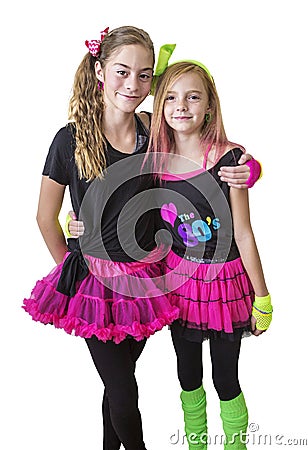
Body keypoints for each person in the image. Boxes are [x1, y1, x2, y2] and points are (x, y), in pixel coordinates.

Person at [22, 26, 181, 450]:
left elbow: (205, 150)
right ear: (99, 70)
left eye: (145, 75)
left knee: (118, 386)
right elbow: (44, 216)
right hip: (95, 283)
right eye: (122, 72)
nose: (133, 85)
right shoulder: (70, 138)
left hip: (145, 280)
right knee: (125, 390)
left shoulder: (154, 131)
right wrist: (74, 271)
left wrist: (248, 170)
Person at [145, 45, 273, 449]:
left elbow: (244, 233)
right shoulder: (153, 159)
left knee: (225, 377)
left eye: (193, 96)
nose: (181, 106)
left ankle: (235, 445)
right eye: (171, 96)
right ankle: (196, 444)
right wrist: (78, 217)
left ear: (209, 107)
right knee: (186, 375)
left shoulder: (230, 160)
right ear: (160, 104)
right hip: (178, 284)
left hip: (224, 284)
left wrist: (263, 296)